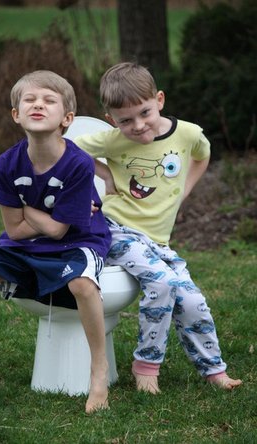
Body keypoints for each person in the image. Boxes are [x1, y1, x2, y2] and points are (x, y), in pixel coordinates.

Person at [75, 62, 242, 394]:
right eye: (125, 120)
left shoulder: (188, 133)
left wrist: (183, 193)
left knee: (192, 301)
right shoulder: (112, 140)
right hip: (116, 229)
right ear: (111, 119)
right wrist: (105, 174)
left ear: (159, 100)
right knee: (163, 282)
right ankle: (147, 366)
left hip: (157, 241)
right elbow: (67, 148)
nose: (137, 126)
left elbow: (202, 156)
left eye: (144, 113)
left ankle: (214, 370)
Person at [0, 70, 112, 414]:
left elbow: (60, 231)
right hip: (24, 246)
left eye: (48, 100)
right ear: (17, 114)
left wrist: (25, 208)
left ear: (67, 118)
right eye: (29, 100)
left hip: (79, 241)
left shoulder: (77, 163)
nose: (38, 105)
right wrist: (49, 216)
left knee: (83, 285)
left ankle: (98, 368)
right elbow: (14, 232)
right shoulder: (6, 164)